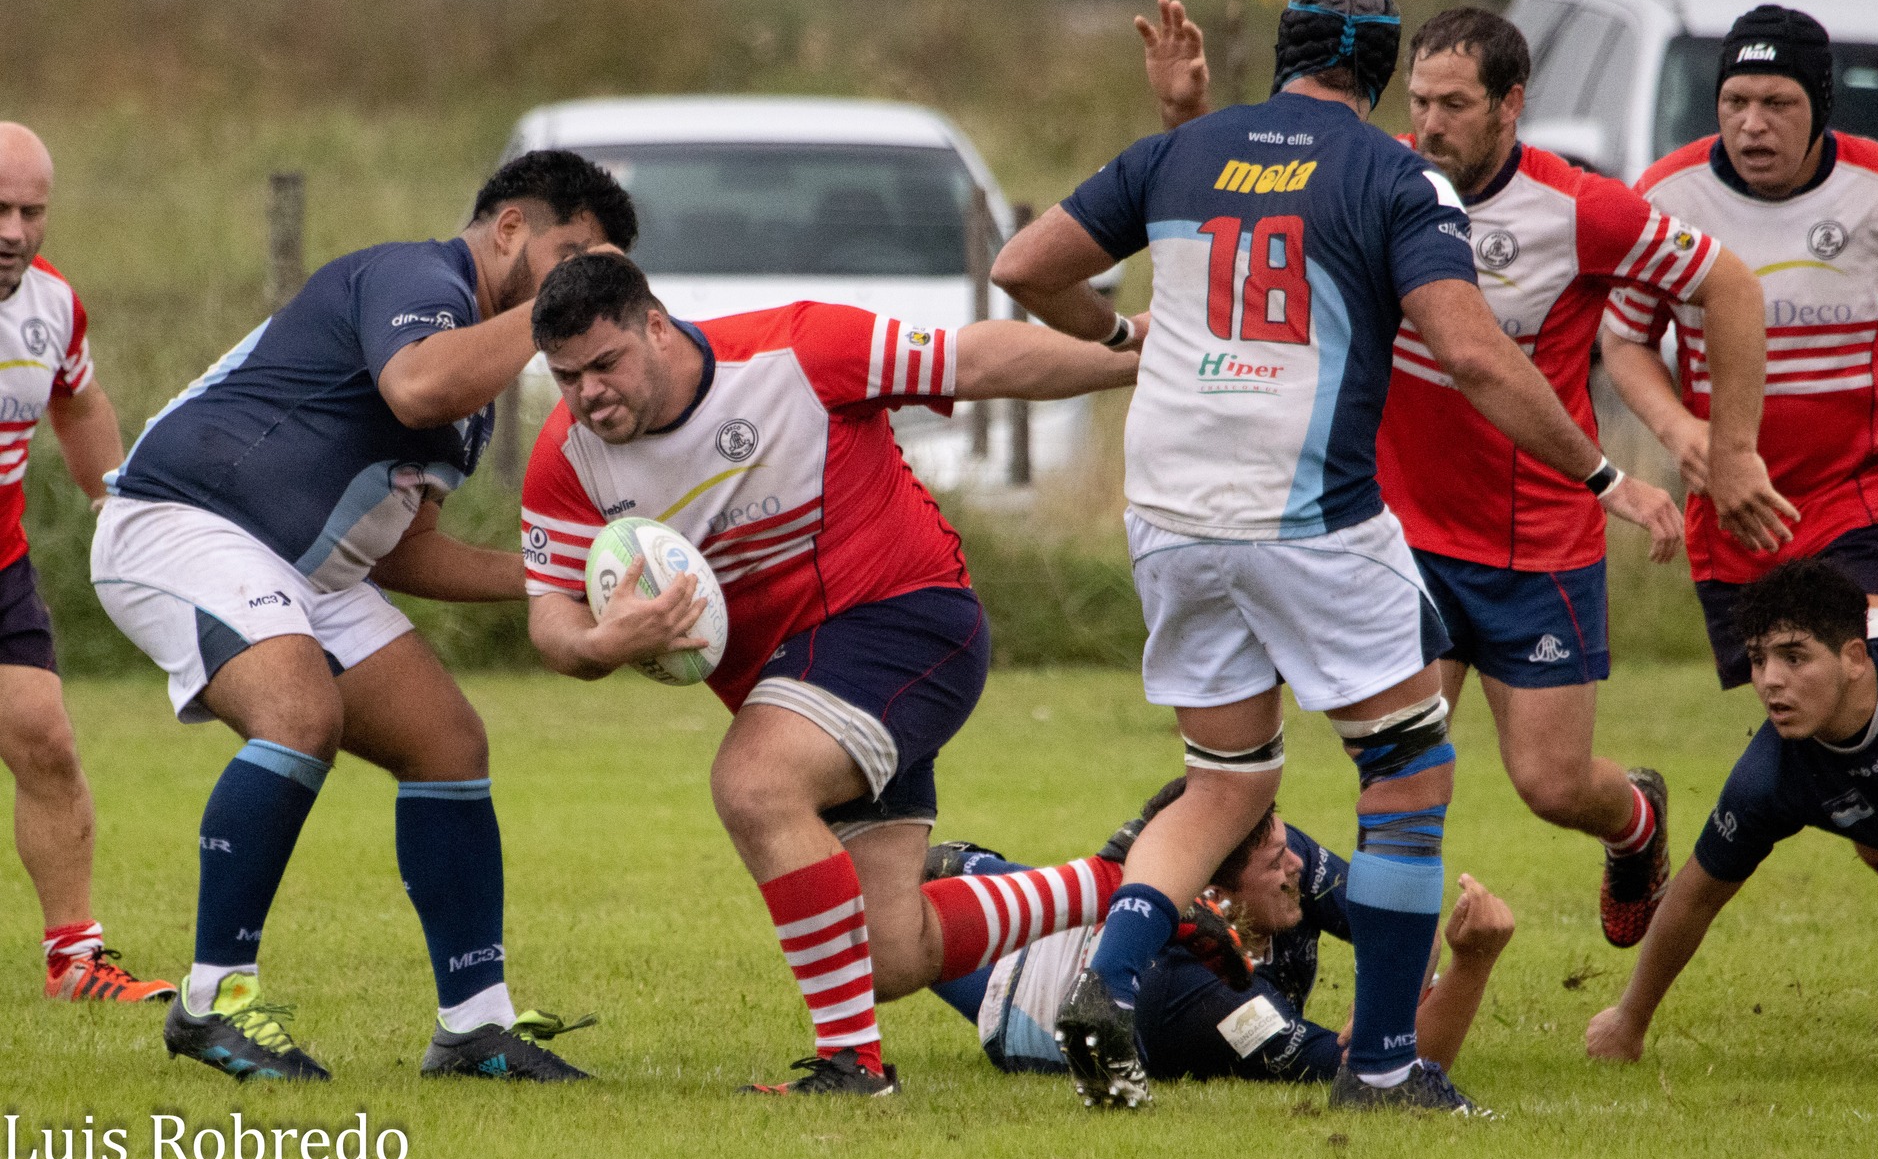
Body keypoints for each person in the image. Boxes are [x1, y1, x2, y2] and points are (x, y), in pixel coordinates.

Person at [990, 0, 1678, 1114]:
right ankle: (1382, 1066)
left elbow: (1023, 269)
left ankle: (1106, 982)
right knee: (1407, 770)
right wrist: (1599, 473)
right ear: (1381, 75)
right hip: (1306, 514)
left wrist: (1120, 331)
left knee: (1222, 781)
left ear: (1282, 54)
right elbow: (1468, 353)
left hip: (1165, 510)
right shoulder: (1395, 172)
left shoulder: (1185, 149)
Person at [1132, 0, 1793, 950]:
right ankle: (1395, 1014)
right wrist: (1181, 122)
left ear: (1510, 104)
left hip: (1539, 546)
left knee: (1552, 785)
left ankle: (1636, 820)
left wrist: (1729, 450)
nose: (1430, 123)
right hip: (1403, 537)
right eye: (1420, 99)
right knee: (1395, 773)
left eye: (1454, 104)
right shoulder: (1378, 178)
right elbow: (1231, 235)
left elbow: (1728, 284)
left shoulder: (1578, 208)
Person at [519, 252, 1146, 1096]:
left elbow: (980, 359)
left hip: (909, 621)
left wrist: (1140, 351)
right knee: (890, 951)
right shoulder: (569, 458)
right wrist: (601, 645)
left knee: (753, 781)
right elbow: (550, 617)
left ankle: (853, 1066)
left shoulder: (799, 351)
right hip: (798, 684)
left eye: (605, 363)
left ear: (656, 327)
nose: (589, 393)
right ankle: (1132, 881)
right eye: (566, 377)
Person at [90, 150, 633, 1082]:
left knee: (449, 743)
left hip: (306, 570)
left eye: (600, 273)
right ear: (509, 228)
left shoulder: (478, 390)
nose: (581, 288)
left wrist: (568, 571)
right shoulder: (413, 277)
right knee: (299, 713)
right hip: (180, 520)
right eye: (572, 258)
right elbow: (414, 386)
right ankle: (214, 998)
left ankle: (474, 1025)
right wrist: (553, 320)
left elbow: (403, 550)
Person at [1601, 3, 1878, 925]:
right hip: (1737, 519)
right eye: (1735, 100)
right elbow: (1625, 343)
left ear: (1818, 106)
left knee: (1874, 708)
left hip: (1868, 497)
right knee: (1842, 775)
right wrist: (1684, 435)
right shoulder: (1665, 195)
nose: (1751, 124)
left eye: (1777, 102)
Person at [1587, 559, 1878, 1074]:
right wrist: (1630, 1019)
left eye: (1794, 657)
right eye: (1759, 661)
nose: (1770, 681)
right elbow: (1694, 898)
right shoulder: (1772, 778)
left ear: (1853, 657)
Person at [927, 780, 1515, 1086]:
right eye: (1276, 863)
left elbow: (1402, 927)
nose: (1297, 868)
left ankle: (962, 863)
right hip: (1021, 998)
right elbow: (1373, 1073)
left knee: (1066, 893)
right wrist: (1472, 966)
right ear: (1219, 895)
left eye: (1288, 848)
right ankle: (938, 872)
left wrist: (1399, 993)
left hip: (1107, 928)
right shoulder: (1202, 998)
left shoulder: (1280, 852)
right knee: (904, 942)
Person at [0, 122, 175, 1003]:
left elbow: (76, 400)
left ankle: (75, 964)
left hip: (2, 567)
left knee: (48, 743)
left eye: (31, 211)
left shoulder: (54, 305)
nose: (13, 231)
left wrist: (115, 505)